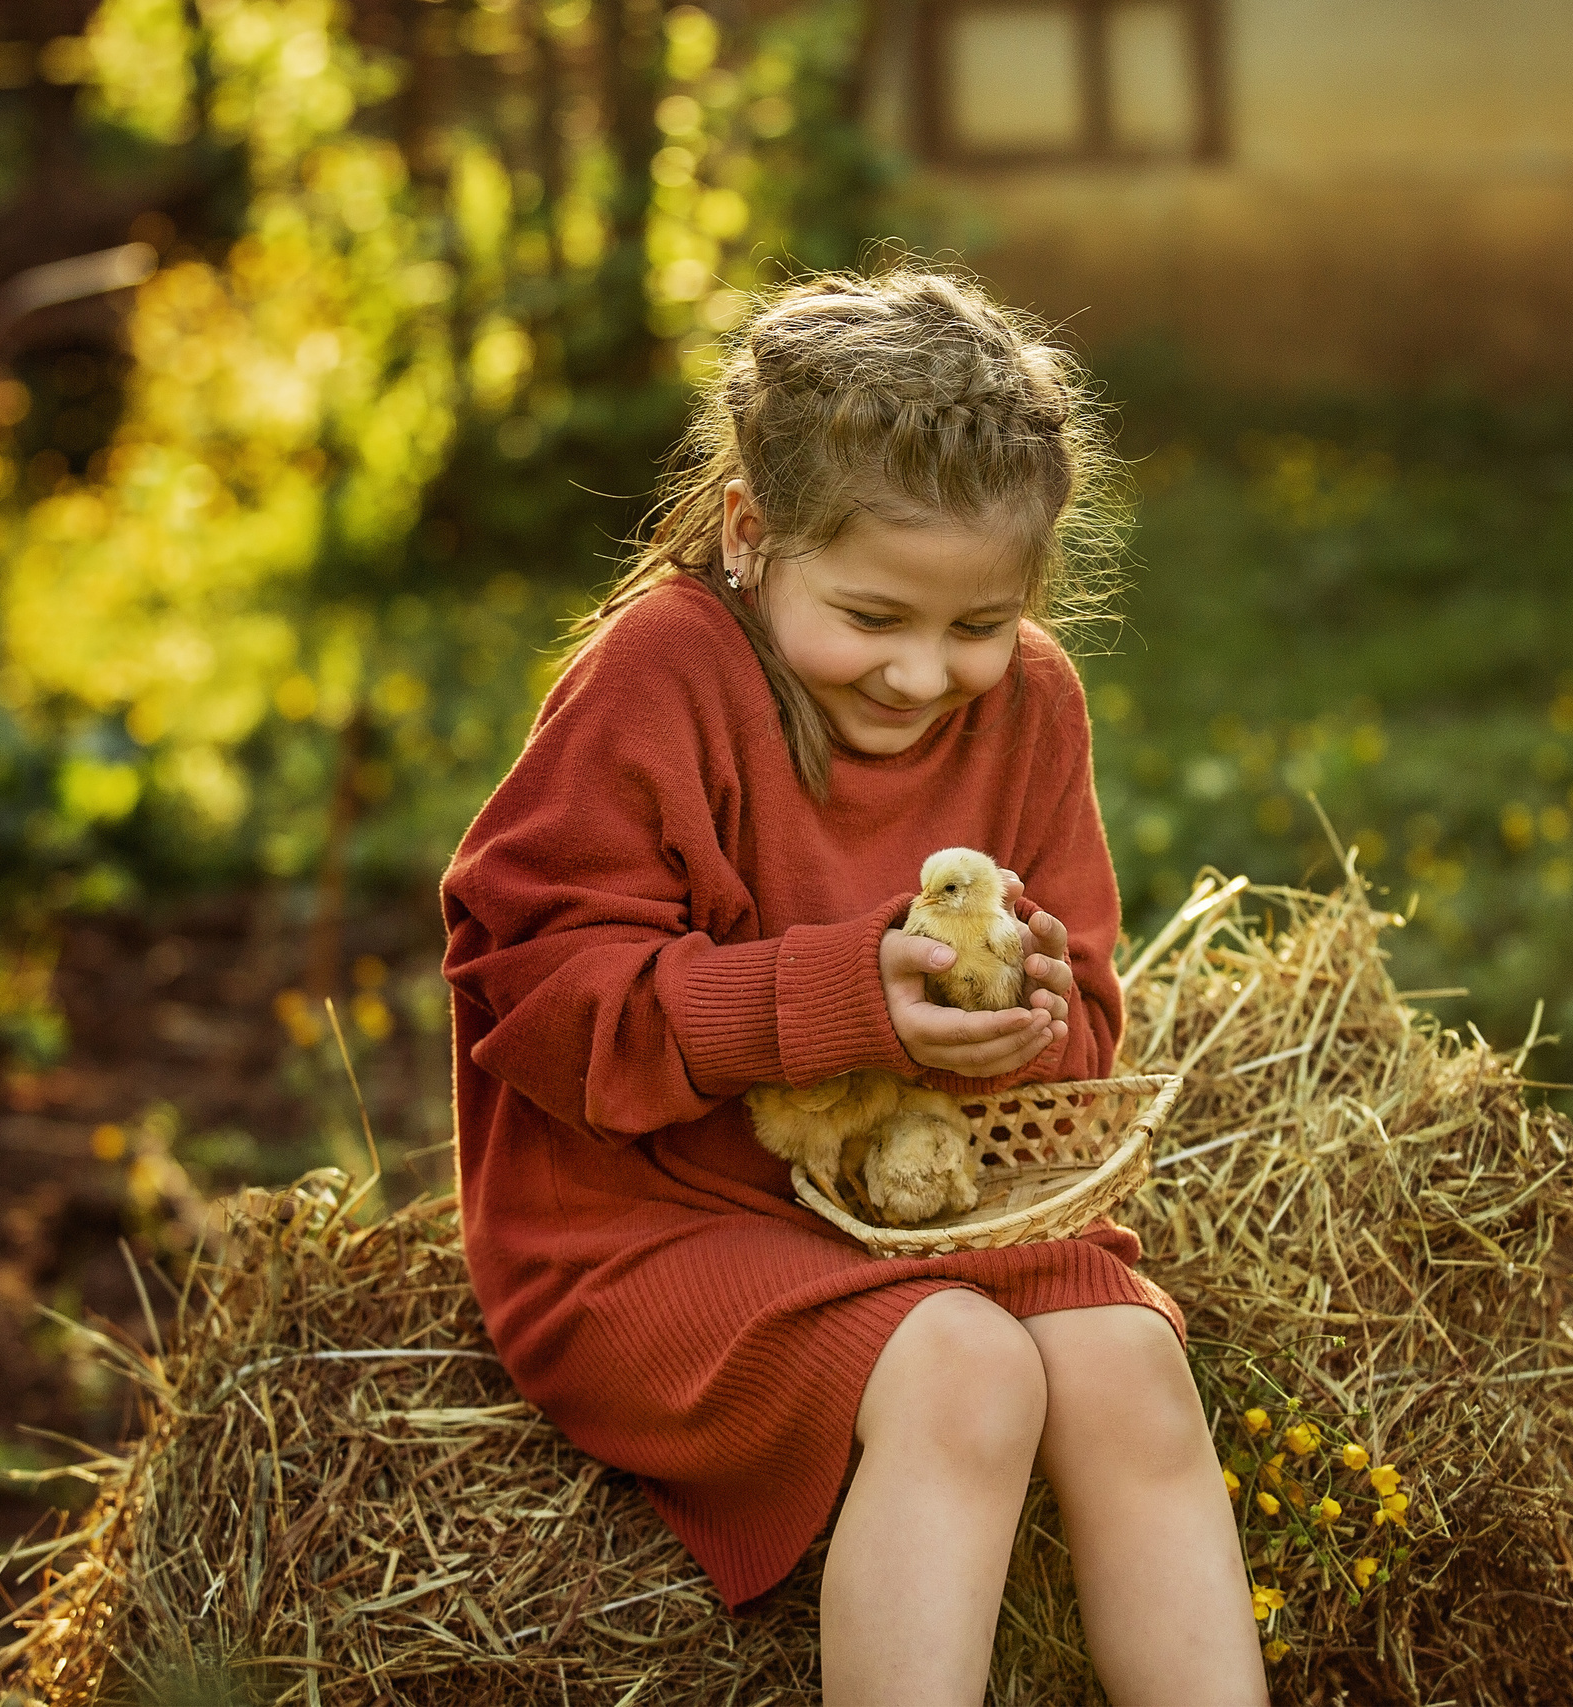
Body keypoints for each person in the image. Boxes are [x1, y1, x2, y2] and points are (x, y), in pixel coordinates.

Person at [440, 266, 1268, 1706]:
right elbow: (534, 990)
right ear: (754, 536)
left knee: (1131, 1363)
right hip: (655, 1215)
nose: (921, 675)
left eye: (977, 625)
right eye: (876, 615)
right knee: (965, 1372)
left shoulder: (1033, 707)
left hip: (933, 1189)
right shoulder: (662, 675)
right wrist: (839, 1001)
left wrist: (1023, 1023)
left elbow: (1084, 1021)